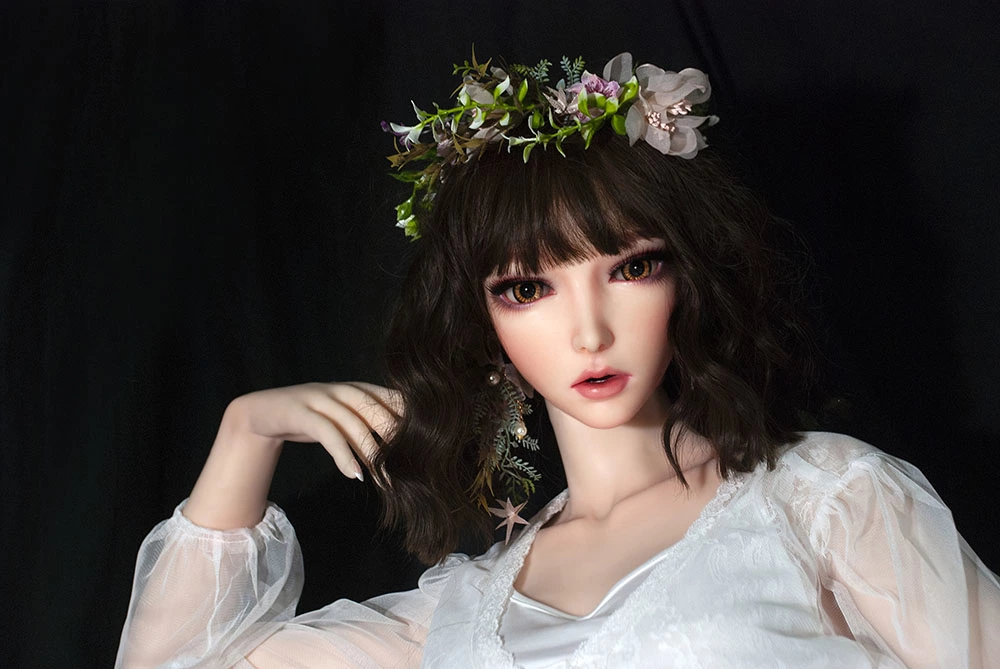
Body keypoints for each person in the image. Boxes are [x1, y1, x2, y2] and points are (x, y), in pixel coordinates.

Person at [116, 51, 999, 668]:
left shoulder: (823, 500)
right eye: (527, 288)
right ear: (482, 319)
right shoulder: (460, 613)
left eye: (632, 268)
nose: (589, 333)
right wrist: (247, 430)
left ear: (686, 277)